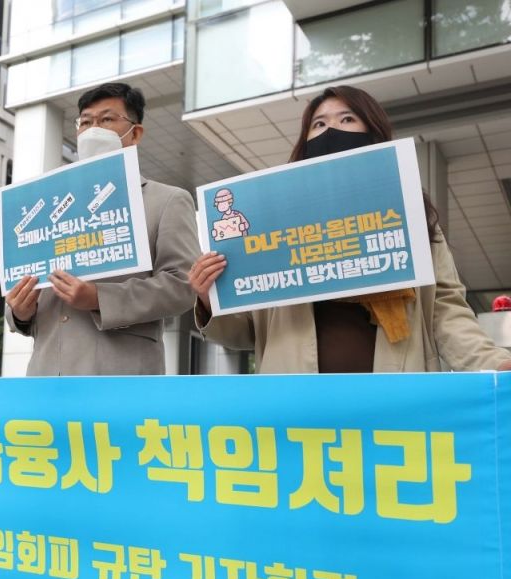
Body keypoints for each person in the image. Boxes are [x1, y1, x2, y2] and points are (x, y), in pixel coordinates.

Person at [188, 84, 511, 373]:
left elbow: (446, 312)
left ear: (373, 132)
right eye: (319, 124)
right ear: (305, 142)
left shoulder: (412, 215)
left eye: (347, 119)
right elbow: (246, 330)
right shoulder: (269, 222)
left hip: (394, 399)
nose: (331, 130)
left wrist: (493, 361)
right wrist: (209, 299)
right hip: (296, 403)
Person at [5, 82, 200, 375]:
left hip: (119, 373)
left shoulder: (167, 200)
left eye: (106, 119)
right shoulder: (48, 206)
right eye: (85, 122)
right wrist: (20, 312)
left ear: (135, 133)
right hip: (47, 376)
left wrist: (99, 298)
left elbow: (182, 286)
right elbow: (30, 290)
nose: (93, 129)